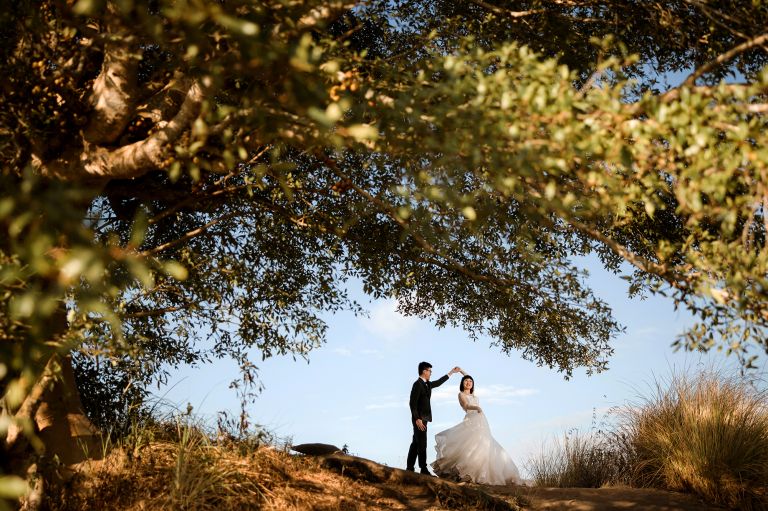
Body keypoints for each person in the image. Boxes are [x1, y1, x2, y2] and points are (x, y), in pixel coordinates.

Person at [431, 373, 522, 485]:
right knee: (470, 445)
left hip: (481, 421)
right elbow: (466, 406)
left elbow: (469, 378)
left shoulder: (473, 394)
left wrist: (462, 372)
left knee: (484, 445)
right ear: (462, 383)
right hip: (471, 420)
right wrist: (477, 407)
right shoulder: (461, 394)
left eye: (470, 381)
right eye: (466, 381)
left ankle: (477, 473)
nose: (468, 382)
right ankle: (465, 472)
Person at [406, 361, 461, 475]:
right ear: (424, 371)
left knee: (416, 443)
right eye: (430, 371)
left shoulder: (427, 384)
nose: (431, 373)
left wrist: (451, 372)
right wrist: (417, 419)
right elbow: (412, 403)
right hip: (419, 419)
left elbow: (439, 382)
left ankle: (410, 467)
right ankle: (423, 468)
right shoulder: (417, 384)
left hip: (424, 418)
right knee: (422, 443)